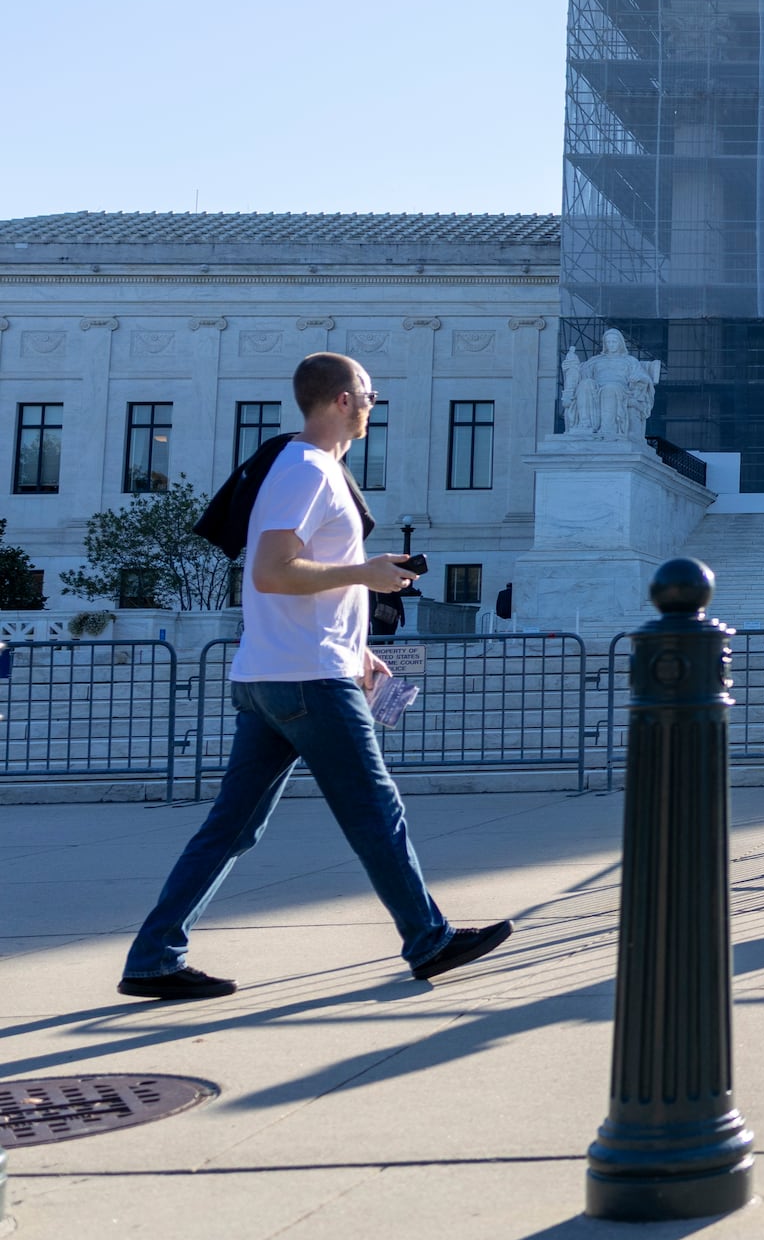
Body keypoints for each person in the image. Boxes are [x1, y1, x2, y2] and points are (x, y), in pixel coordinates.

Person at [118, 353, 513, 1000]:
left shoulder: (300, 467)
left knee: (232, 826)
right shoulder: (308, 470)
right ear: (338, 399)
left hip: (275, 673)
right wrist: (366, 574)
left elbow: (294, 582)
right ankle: (428, 937)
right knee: (375, 809)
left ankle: (155, 955)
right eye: (366, 392)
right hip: (307, 682)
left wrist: (357, 649)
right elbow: (274, 570)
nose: (372, 401)